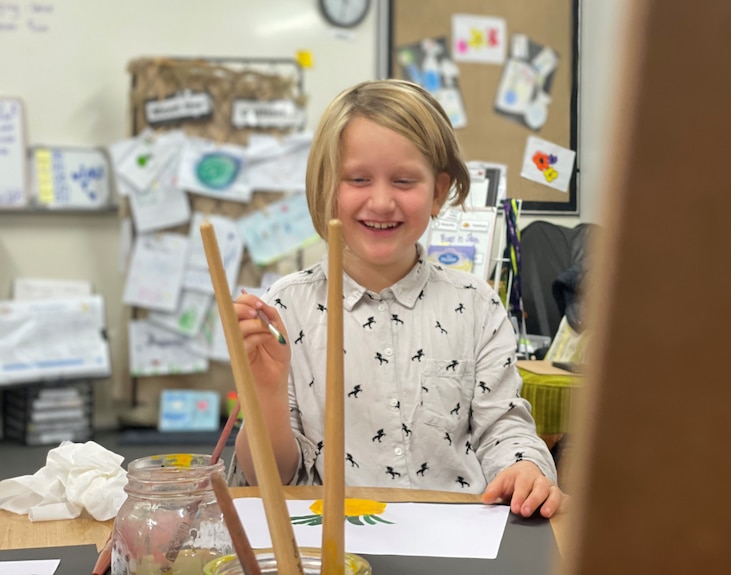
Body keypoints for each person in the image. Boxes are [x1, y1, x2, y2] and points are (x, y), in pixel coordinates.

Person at [229, 79, 565, 518]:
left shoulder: (476, 304)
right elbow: (268, 479)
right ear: (328, 187)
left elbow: (502, 426)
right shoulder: (286, 306)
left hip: (458, 541)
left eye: (404, 180)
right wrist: (266, 395)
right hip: (328, 546)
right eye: (358, 179)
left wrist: (525, 468)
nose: (382, 201)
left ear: (439, 191)